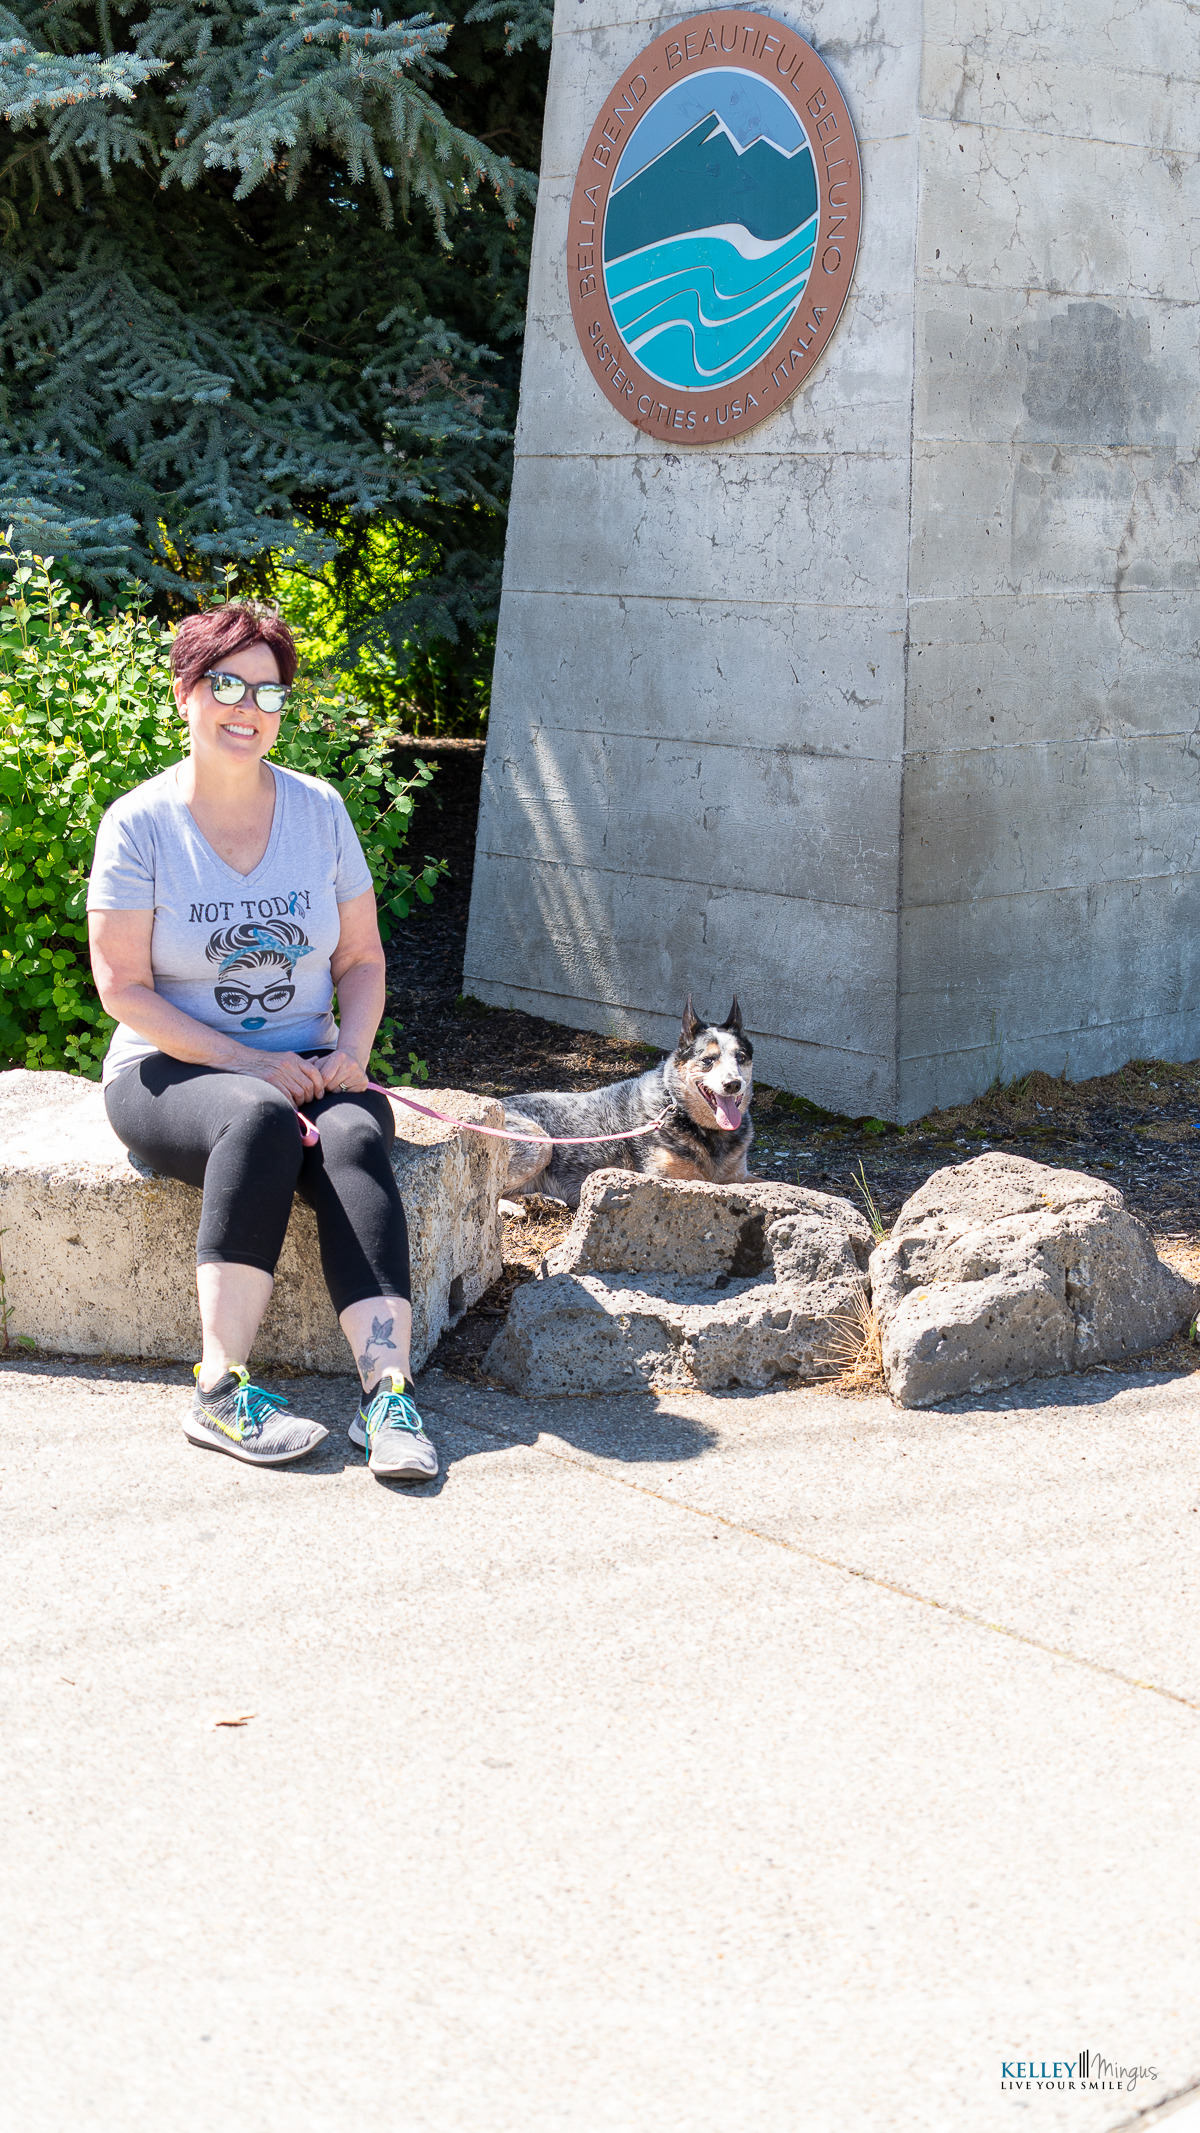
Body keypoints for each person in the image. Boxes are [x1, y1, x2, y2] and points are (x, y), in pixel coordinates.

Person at [86, 602, 437, 1482]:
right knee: (259, 1120)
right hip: (171, 1072)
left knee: (356, 1134)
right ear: (185, 693)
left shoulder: (319, 811)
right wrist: (253, 1064)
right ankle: (218, 1388)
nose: (247, 705)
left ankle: (387, 1395)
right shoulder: (140, 823)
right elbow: (122, 985)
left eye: (268, 689)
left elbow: (360, 959)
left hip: (314, 1067)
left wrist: (350, 1050)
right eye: (226, 683)